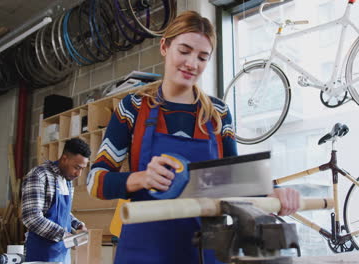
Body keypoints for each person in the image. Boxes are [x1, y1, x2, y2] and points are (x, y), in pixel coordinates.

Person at [87, 11, 300, 264]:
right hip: (145, 250)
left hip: (206, 248)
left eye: (202, 57)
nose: (192, 64)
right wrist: (142, 178)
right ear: (164, 46)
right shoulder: (132, 108)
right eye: (184, 51)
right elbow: (95, 182)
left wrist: (274, 192)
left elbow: (237, 179)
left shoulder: (218, 113)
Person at [22, 138, 90, 263]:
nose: (79, 174)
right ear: (64, 159)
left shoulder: (67, 181)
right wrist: (64, 235)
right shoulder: (39, 175)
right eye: (76, 167)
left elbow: (63, 213)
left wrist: (78, 224)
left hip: (62, 255)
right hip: (41, 255)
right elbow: (31, 217)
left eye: (82, 169)